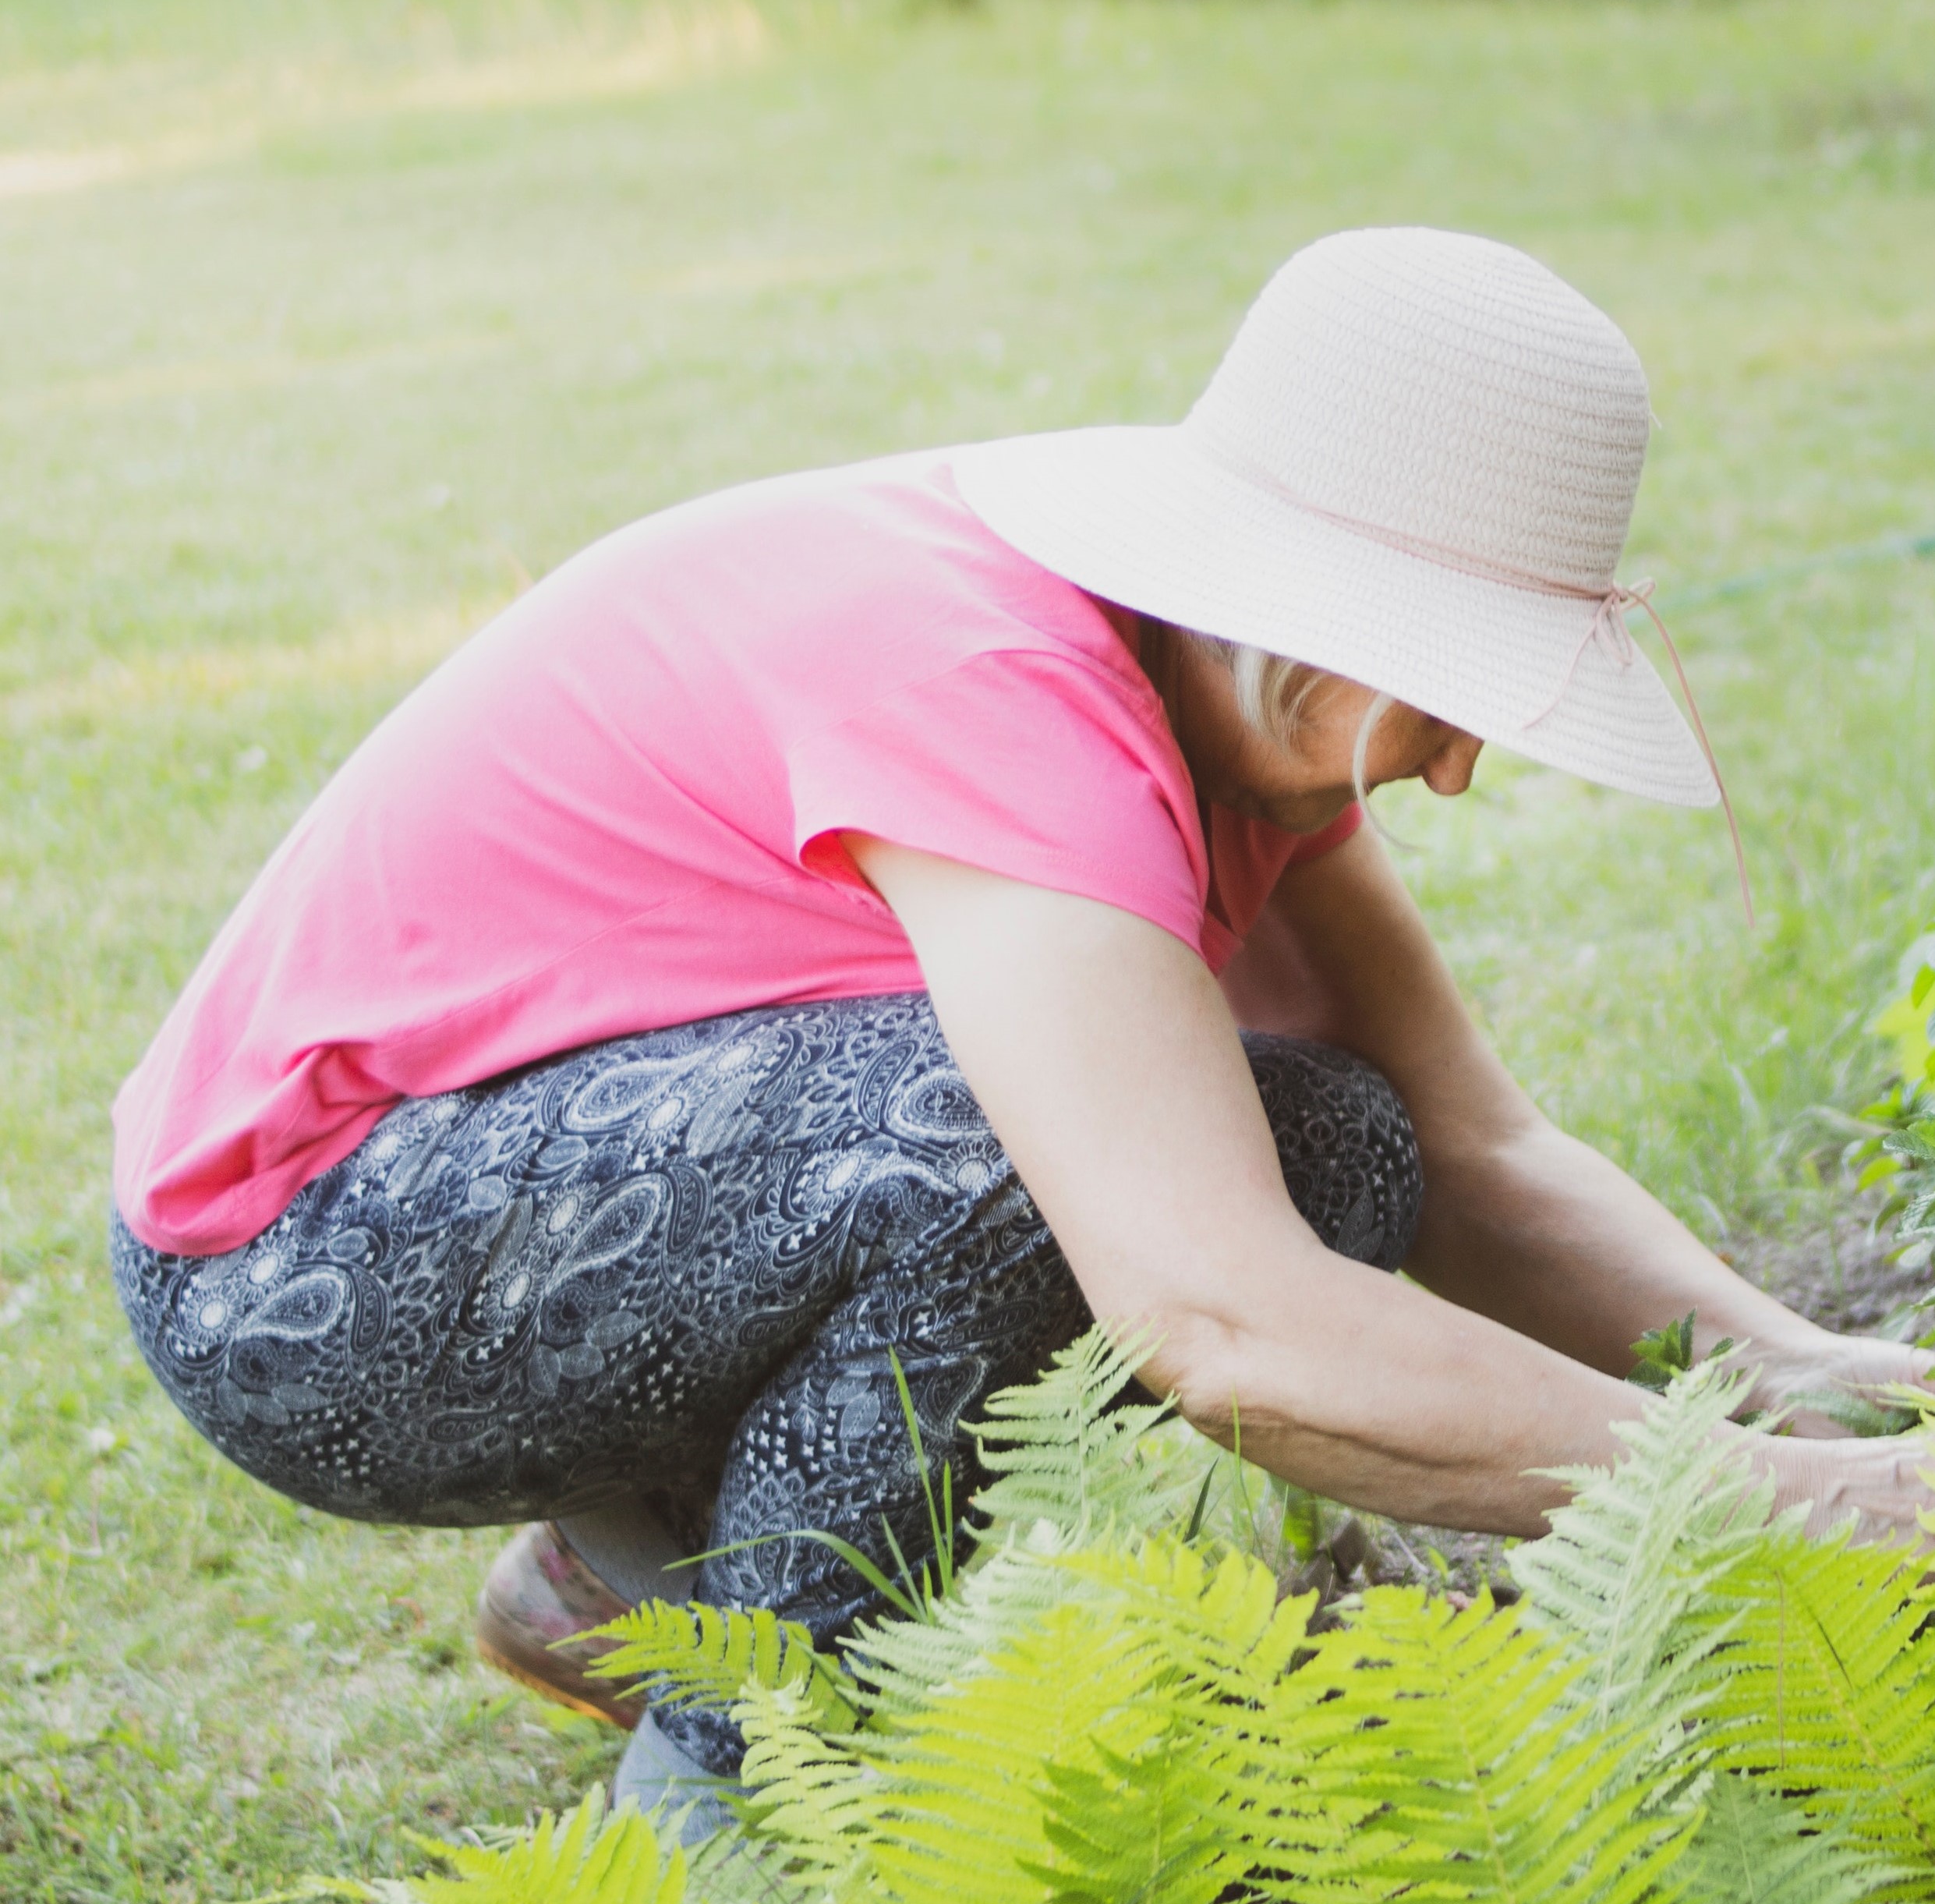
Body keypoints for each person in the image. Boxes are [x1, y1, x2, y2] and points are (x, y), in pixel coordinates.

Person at [108, 227, 1930, 1813]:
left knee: (1333, 1139)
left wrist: (1840, 1391)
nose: (1455, 768)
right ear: (1295, 612)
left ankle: (624, 1579)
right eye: (1448, 689)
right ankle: (754, 1804)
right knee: (1011, 1167)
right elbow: (1221, 1319)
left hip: (543, 1195)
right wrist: (1803, 1502)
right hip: (297, 1270)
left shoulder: (1224, 705)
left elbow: (1477, 1151)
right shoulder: (995, 694)